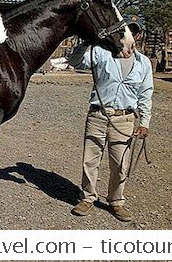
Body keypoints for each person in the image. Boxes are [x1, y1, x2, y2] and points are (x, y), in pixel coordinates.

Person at [69, 20, 154, 222]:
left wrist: (144, 122)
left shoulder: (144, 63)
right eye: (126, 30)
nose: (129, 34)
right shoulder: (101, 52)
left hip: (124, 119)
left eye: (134, 31)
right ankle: (88, 198)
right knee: (90, 160)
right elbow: (76, 62)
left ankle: (116, 201)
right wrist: (84, 43)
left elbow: (146, 93)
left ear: (138, 36)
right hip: (98, 115)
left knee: (120, 164)